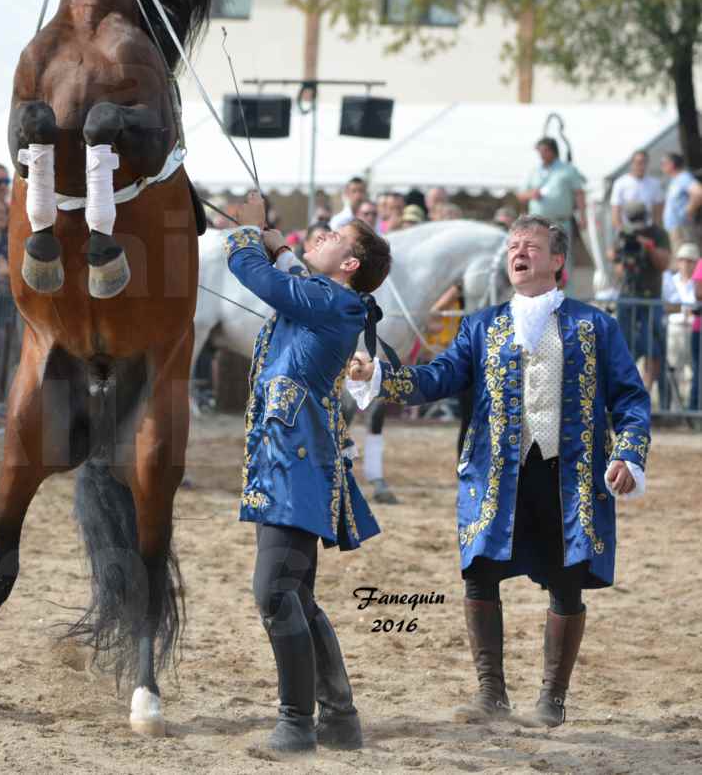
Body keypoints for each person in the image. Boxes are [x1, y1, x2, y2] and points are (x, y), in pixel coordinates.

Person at [348, 214, 650, 729]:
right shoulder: (481, 325)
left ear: (557, 261)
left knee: (566, 580)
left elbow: (630, 399)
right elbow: (439, 376)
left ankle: (552, 699)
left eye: (530, 246)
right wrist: (381, 375)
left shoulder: (595, 324)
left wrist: (628, 454)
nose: (518, 253)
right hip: (496, 473)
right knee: (482, 572)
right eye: (513, 245)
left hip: (567, 475)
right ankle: (492, 694)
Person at [224, 190, 391, 754]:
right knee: (294, 592)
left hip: (294, 463)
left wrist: (251, 234)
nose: (319, 234)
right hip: (288, 459)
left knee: (273, 591)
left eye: (335, 237)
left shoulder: (338, 303)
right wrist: (279, 248)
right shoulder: (330, 296)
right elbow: (295, 278)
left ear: (351, 265)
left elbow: (268, 282)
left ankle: (297, 723)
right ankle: (339, 718)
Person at [610, 201, 671, 392]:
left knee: (653, 348)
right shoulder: (624, 235)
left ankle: (646, 391)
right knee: (624, 349)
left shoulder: (658, 234)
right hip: (628, 297)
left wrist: (649, 247)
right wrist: (623, 260)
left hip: (651, 298)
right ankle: (626, 394)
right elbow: (618, 268)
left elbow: (664, 264)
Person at [518, 138, 586, 271]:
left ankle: (566, 291)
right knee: (537, 258)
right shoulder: (533, 171)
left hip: (560, 223)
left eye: (544, 151)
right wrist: (531, 194)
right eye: (539, 151)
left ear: (553, 151)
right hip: (537, 225)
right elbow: (520, 195)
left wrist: (582, 217)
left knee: (562, 259)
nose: (541, 155)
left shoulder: (568, 170)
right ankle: (539, 291)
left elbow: (579, 193)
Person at [663, 242, 700, 410]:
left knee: (694, 372)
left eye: (690, 261)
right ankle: (675, 410)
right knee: (674, 372)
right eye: (682, 260)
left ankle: (693, 410)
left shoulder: (698, 282)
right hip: (675, 329)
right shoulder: (670, 280)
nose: (686, 264)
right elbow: (665, 305)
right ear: (678, 262)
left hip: (694, 329)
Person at [610, 149, 663, 231]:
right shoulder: (620, 183)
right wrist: (624, 232)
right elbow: (615, 212)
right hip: (628, 230)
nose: (641, 166)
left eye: (644, 162)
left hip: (649, 230)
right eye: (638, 162)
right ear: (632, 163)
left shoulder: (654, 183)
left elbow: (658, 210)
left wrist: (655, 230)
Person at [660, 152, 702, 252]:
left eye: (664, 163)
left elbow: (698, 193)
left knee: (688, 261)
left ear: (672, 164)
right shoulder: (675, 180)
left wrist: (688, 212)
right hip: (677, 229)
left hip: (683, 229)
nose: (662, 166)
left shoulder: (683, 177)